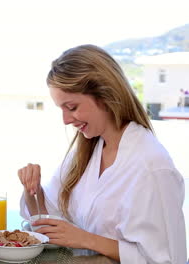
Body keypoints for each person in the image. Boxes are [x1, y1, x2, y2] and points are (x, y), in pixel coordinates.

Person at [18, 44, 186, 263]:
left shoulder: (151, 166)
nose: (66, 120)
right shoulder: (88, 150)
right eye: (62, 109)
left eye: (72, 107)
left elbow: (165, 259)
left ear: (105, 95)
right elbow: (53, 221)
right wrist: (34, 189)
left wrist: (87, 240)